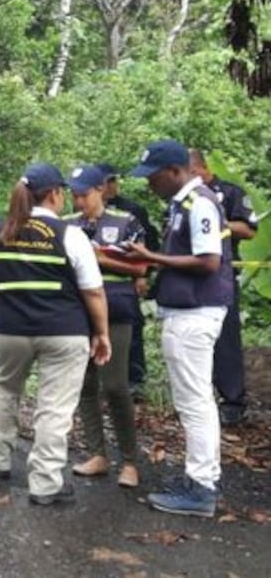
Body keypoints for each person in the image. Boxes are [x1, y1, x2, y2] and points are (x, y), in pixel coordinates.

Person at [0, 163, 110, 507]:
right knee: (54, 408)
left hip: (12, 329)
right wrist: (102, 333)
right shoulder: (69, 235)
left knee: (4, 390)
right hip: (64, 332)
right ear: (54, 194)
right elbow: (93, 292)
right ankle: (45, 484)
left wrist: (2, 311)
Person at [124, 140, 233, 518]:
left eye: (153, 177)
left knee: (194, 401)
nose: (149, 184)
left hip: (195, 313)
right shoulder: (181, 204)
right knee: (194, 399)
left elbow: (207, 261)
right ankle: (199, 478)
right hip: (186, 312)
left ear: (174, 171)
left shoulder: (199, 202)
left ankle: (201, 487)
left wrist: (150, 257)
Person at [64, 165, 144, 488]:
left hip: (117, 309)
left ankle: (129, 461)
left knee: (115, 386)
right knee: (84, 385)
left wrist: (98, 258)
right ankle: (97, 454)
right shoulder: (67, 225)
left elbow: (141, 265)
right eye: (74, 194)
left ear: (101, 190)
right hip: (77, 311)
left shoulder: (126, 222)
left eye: (84, 194)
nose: (78, 200)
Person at [189, 148, 259, 426]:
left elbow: (248, 229)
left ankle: (233, 401)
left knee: (226, 338)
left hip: (223, 272)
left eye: (193, 173)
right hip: (191, 273)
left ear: (202, 169)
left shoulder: (229, 192)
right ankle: (201, 398)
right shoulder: (185, 197)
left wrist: (217, 223)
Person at [98, 163, 159, 398]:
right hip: (96, 282)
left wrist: (144, 275)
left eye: (114, 181)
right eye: (106, 182)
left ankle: (135, 379)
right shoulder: (85, 211)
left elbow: (149, 245)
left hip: (127, 279)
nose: (112, 186)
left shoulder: (132, 211)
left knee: (132, 328)